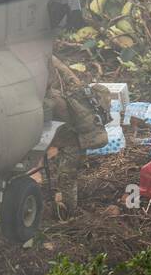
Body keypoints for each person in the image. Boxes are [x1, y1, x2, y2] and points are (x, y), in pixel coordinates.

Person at [43, 83, 108, 216]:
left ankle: (69, 213)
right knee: (65, 174)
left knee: (67, 176)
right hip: (71, 139)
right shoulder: (54, 94)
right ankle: (64, 203)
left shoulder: (50, 102)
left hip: (73, 142)